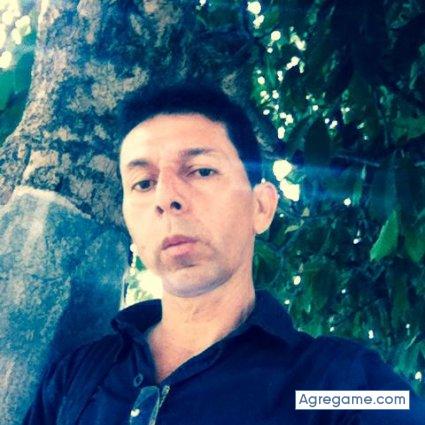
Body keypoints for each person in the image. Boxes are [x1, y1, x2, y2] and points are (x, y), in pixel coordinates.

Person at [24, 84, 424, 424]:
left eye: (201, 171)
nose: (166, 198)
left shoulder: (332, 385)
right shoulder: (75, 379)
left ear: (261, 207)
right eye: (143, 183)